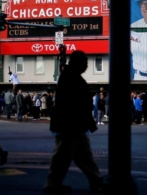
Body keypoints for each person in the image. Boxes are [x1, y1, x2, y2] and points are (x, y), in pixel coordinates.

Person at [43, 50, 103, 194]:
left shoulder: (69, 76)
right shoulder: (72, 78)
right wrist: (88, 121)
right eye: (85, 63)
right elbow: (77, 104)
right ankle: (53, 184)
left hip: (72, 125)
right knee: (66, 156)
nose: (87, 66)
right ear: (78, 63)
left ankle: (95, 180)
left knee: (81, 155)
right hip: (71, 126)